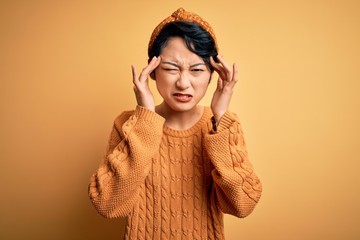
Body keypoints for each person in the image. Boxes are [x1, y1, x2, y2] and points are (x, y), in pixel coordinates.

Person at [88, 8, 262, 240]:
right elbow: (107, 204)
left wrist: (220, 117)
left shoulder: (222, 125)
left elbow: (242, 204)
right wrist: (146, 119)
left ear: (214, 74)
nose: (183, 83)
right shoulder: (129, 124)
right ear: (151, 71)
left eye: (197, 70)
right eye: (171, 69)